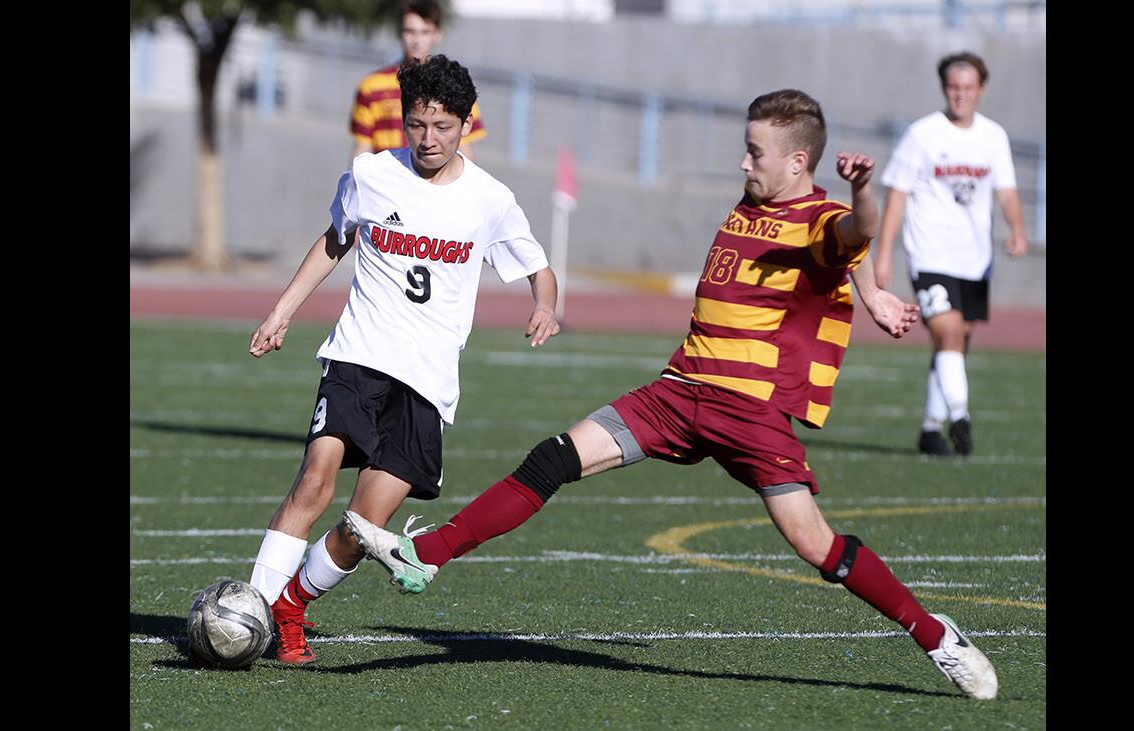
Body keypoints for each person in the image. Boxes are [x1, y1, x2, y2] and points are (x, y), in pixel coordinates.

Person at [345, 89, 999, 700]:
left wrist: (862, 192)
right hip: (679, 389)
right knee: (553, 458)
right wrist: (868, 290)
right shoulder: (752, 204)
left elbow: (851, 236)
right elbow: (835, 270)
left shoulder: (822, 216)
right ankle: (426, 554)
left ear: (798, 161)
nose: (743, 160)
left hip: (751, 412)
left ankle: (936, 634)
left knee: (816, 546)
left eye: (755, 151)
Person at [246, 54, 559, 666]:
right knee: (314, 479)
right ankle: (254, 613)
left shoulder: (490, 200)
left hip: (427, 381)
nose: (428, 139)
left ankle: (291, 606)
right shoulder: (370, 174)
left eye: (442, 126)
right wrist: (282, 310)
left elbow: (539, 269)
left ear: (465, 124)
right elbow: (336, 239)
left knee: (364, 527)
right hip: (359, 355)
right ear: (403, 121)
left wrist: (544, 305)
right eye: (417, 125)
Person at [873, 51, 1029, 457]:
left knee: (957, 341)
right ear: (944, 89)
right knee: (946, 333)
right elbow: (896, 198)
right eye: (953, 87)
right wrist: (884, 255)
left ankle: (929, 429)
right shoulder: (922, 134)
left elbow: (1007, 190)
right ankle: (960, 418)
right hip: (930, 255)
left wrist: (1017, 229)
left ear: (981, 89)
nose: (960, 95)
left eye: (968, 87)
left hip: (974, 259)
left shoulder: (993, 136)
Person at [349, 0, 486, 163]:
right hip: (388, 182)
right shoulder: (371, 86)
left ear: (438, 33)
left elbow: (463, 148)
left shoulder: (455, 86)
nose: (416, 40)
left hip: (436, 183)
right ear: (399, 32)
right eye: (410, 31)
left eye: (425, 32)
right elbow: (362, 147)